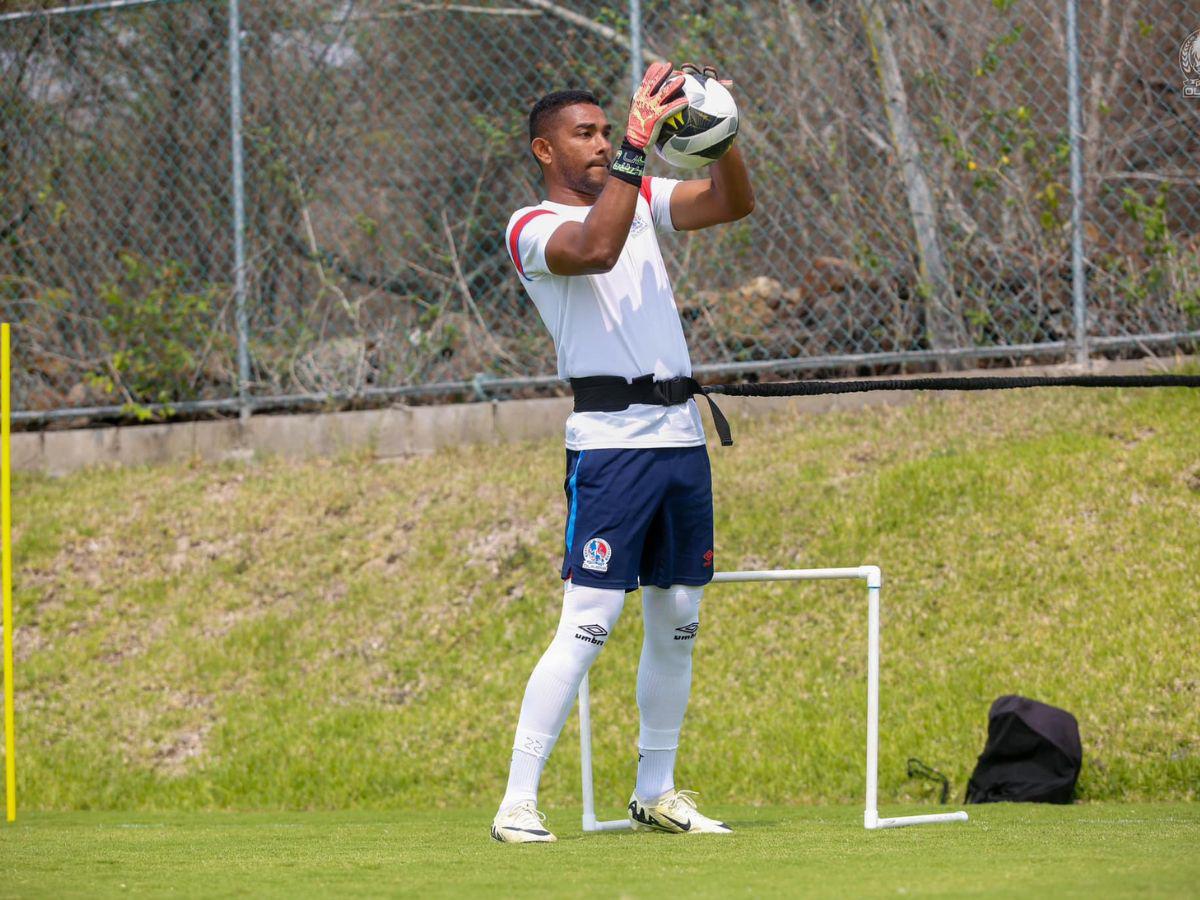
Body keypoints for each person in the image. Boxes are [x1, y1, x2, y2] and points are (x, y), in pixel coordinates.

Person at [491, 62, 754, 844]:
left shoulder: (635, 195)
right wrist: (641, 148)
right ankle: (517, 802)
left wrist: (719, 135)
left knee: (678, 620)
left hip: (680, 441)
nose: (604, 141)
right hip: (610, 448)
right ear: (545, 150)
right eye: (586, 133)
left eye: (610, 129)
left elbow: (732, 202)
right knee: (590, 621)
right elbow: (596, 249)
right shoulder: (531, 226)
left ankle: (656, 790)